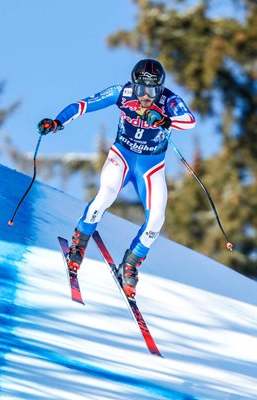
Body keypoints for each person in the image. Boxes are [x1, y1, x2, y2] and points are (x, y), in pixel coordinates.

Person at [37, 59, 196, 298]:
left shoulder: (168, 100)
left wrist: (165, 120)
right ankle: (79, 242)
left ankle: (131, 262)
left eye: (153, 91)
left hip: (151, 166)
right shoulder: (122, 93)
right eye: (142, 90)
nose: (146, 96)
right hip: (122, 156)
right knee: (105, 196)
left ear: (160, 89)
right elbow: (83, 105)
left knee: (156, 220)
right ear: (134, 85)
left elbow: (190, 121)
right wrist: (58, 122)